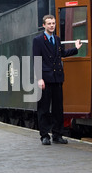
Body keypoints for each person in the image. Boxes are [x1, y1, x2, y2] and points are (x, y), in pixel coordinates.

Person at [33, 15, 83, 145]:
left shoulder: (57, 39)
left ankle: (57, 134)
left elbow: (62, 54)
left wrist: (76, 48)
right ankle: (44, 136)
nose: (52, 25)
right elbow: (36, 60)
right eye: (49, 23)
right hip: (45, 79)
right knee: (43, 109)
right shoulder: (38, 40)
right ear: (44, 25)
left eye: (53, 23)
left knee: (58, 109)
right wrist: (39, 79)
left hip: (57, 78)